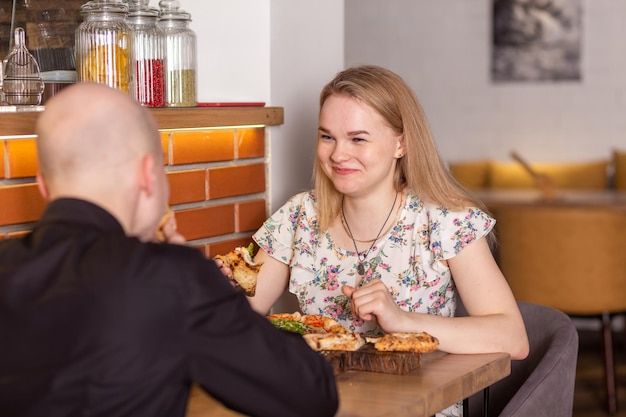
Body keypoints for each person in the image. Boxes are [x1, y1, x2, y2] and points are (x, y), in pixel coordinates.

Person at [0, 83, 338, 417]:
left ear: (43, 185)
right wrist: (199, 281)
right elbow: (311, 395)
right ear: (148, 175)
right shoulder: (170, 277)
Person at [246, 65, 529, 416]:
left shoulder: (446, 220)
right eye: (327, 136)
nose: (337, 154)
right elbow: (239, 316)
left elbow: (513, 338)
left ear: (401, 143)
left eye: (358, 138)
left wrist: (404, 321)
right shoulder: (297, 216)